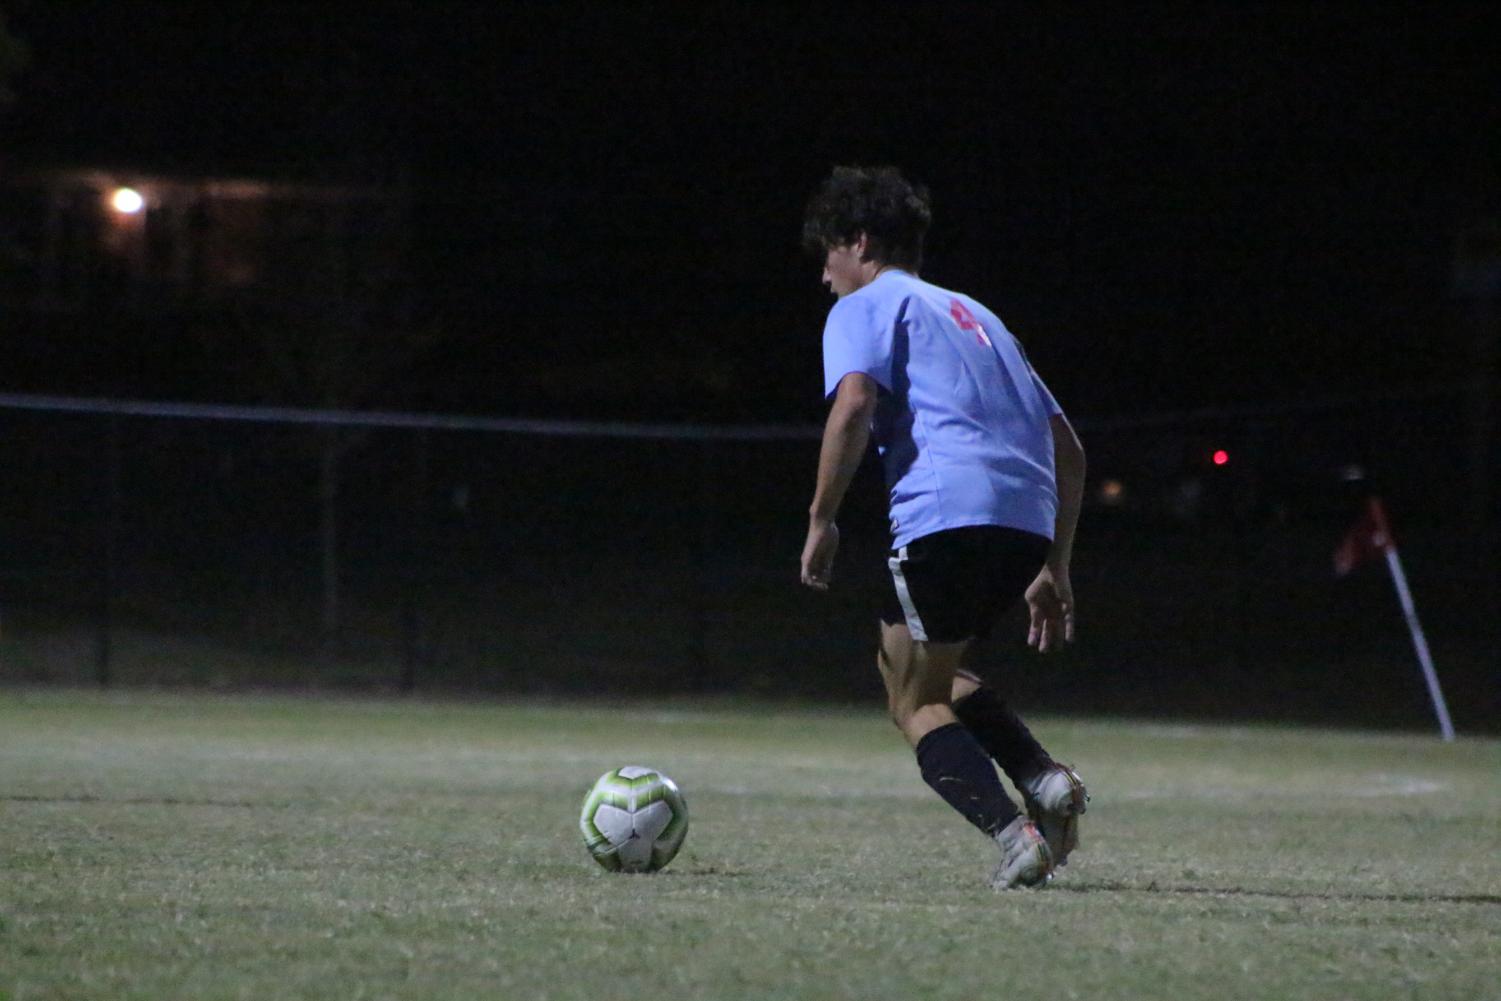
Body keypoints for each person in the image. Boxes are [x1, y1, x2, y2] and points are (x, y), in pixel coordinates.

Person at [798, 165, 1088, 889]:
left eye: (826, 256)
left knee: (912, 700)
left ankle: (1013, 833)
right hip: (1023, 524)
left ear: (857, 243)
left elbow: (855, 404)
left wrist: (821, 518)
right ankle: (1042, 779)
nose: (824, 277)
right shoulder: (979, 316)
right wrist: (1055, 565)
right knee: (924, 667)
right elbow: (1070, 450)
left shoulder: (864, 304)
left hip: (944, 514)